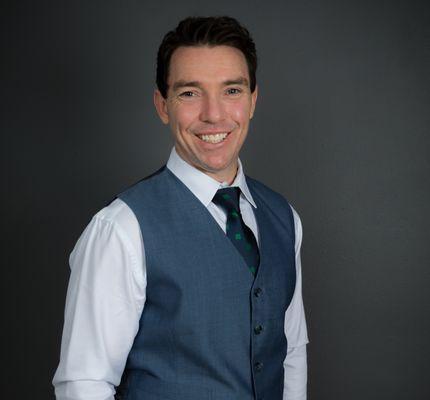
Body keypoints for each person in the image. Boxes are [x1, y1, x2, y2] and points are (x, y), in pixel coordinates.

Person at [52, 15, 309, 400]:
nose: (214, 114)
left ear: (253, 100)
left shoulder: (284, 218)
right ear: (163, 105)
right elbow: (84, 384)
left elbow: (290, 350)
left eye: (232, 90)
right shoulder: (121, 229)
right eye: (190, 93)